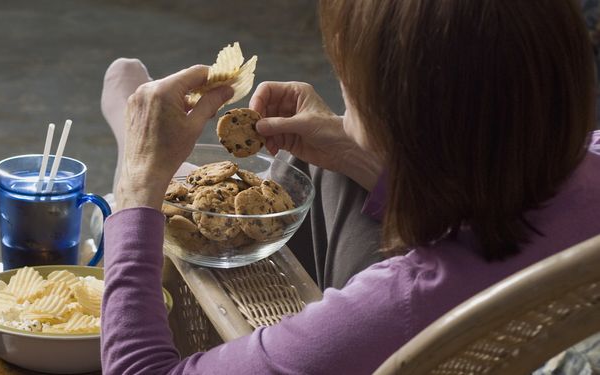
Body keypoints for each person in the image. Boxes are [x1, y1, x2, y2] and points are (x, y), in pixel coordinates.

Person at [99, 0, 600, 373]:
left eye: (348, 80)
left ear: (393, 119)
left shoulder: (395, 308)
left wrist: (138, 180)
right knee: (319, 167)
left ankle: (154, 159)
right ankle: (185, 176)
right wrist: (353, 149)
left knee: (293, 175)